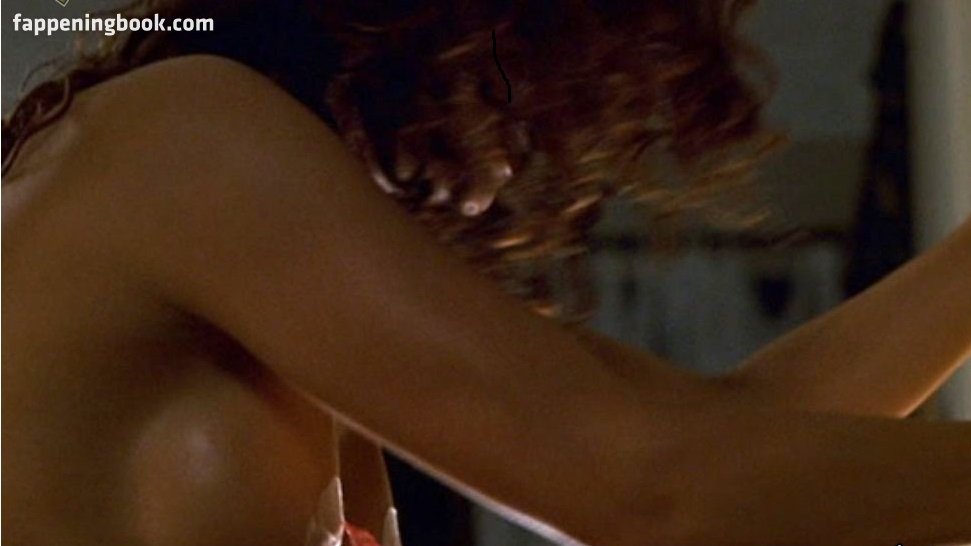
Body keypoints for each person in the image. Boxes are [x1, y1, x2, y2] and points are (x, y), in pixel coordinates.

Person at [3, 1, 970, 545]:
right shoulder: (187, 140)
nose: (514, 161)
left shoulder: (236, 226)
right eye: (520, 77)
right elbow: (659, 490)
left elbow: (730, 440)